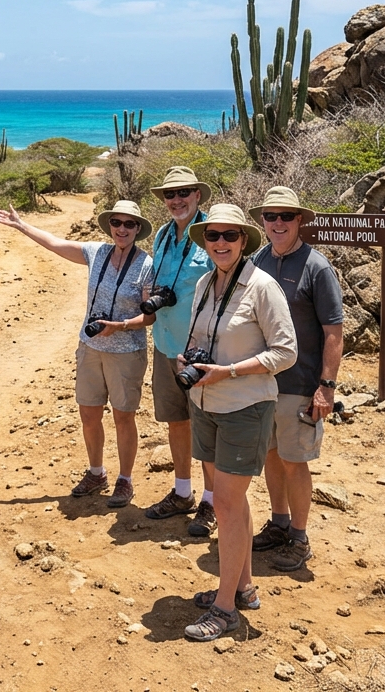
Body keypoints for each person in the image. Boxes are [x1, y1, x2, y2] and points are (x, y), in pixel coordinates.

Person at [179, 204, 296, 642]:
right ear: (205, 242)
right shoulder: (206, 282)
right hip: (207, 402)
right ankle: (242, 586)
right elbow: (198, 339)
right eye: (213, 236)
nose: (221, 243)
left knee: (226, 503)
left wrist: (229, 371)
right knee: (234, 501)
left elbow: (286, 352)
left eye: (230, 235)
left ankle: (225, 610)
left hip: (245, 406)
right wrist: (186, 358)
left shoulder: (263, 287)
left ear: (244, 240)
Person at [0, 200, 155, 508]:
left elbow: (149, 317)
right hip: (90, 347)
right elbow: (55, 244)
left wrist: (119, 325)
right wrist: (21, 225)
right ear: (110, 226)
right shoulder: (97, 253)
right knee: (89, 413)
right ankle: (97, 473)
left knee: (123, 417)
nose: (122, 229)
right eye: (117, 223)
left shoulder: (146, 265)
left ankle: (125, 480)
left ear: (137, 229)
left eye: (129, 224)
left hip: (126, 352)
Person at [248, 187, 344, 573]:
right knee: (271, 454)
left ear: (300, 220)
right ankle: (279, 522)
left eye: (286, 215)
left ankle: (300, 538)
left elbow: (334, 331)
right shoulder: (258, 260)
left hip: (301, 384)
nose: (278, 223)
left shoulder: (316, 267)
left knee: (295, 460)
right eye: (271, 216)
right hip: (263, 381)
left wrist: (326, 387)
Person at [141, 167, 216, 536]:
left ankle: (211, 502)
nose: (177, 200)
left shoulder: (212, 234)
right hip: (167, 344)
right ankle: (182, 492)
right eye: (171, 194)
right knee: (177, 422)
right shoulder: (162, 236)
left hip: (202, 351)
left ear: (198, 195)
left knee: (206, 427)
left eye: (184, 192)